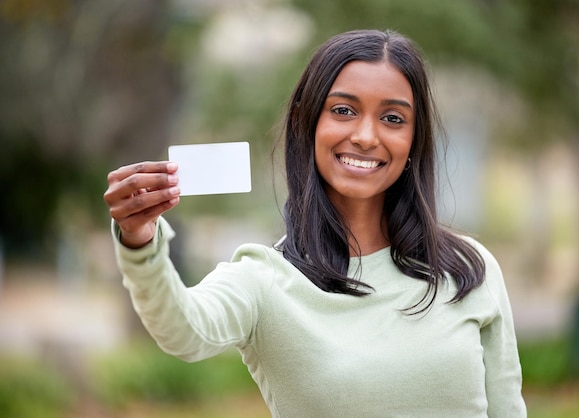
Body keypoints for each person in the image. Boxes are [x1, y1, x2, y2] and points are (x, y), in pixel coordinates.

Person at [104, 29, 526, 417]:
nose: (365, 135)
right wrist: (140, 242)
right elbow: (183, 330)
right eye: (343, 110)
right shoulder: (265, 280)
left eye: (393, 118)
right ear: (306, 123)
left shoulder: (470, 270)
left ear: (414, 140)